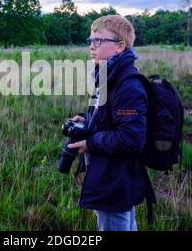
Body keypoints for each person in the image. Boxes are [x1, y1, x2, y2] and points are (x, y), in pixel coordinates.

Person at [67, 14, 149, 231]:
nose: (91, 46)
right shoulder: (107, 76)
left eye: (99, 41)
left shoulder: (127, 85)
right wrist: (86, 121)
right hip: (109, 173)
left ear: (120, 46)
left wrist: (90, 143)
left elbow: (131, 139)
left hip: (115, 179)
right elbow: (110, 119)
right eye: (90, 41)